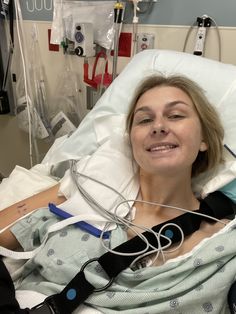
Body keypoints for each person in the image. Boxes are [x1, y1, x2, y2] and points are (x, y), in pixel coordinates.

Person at [0, 74, 235, 314]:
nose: (158, 126)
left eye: (175, 115)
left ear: (204, 138)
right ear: (132, 141)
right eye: (144, 120)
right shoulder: (84, 200)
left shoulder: (222, 245)